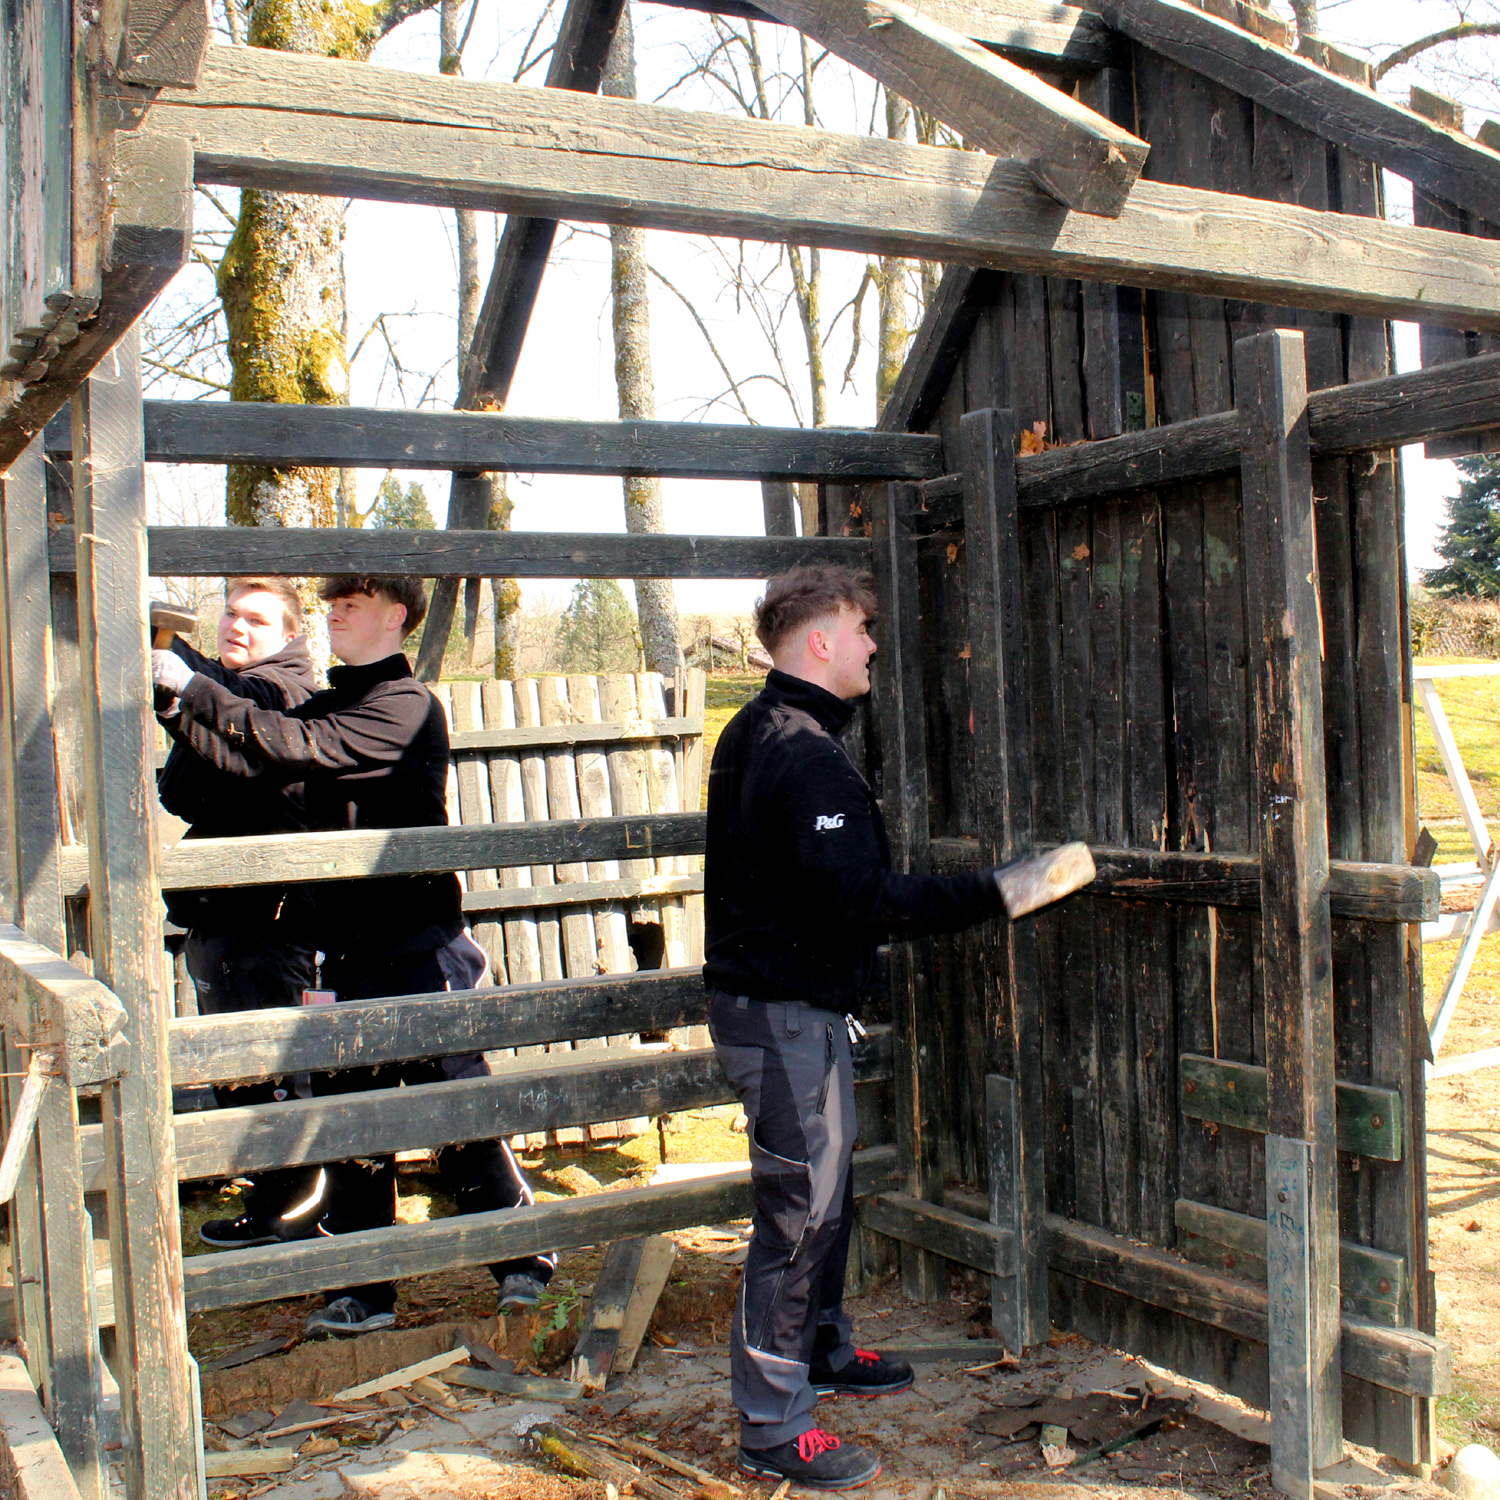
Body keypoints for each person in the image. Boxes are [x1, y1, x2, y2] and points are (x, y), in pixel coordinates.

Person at [704, 564, 1094, 1491]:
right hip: (782, 1019)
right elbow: (860, 899)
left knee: (824, 1199)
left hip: (789, 1011)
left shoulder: (764, 729)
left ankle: (823, 1350)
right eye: (861, 627)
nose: (874, 644)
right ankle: (772, 1423)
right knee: (799, 1218)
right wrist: (1005, 890)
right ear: (820, 641)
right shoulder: (797, 750)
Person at [153, 575, 556, 1337]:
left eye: (353, 603)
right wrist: (178, 700)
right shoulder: (333, 700)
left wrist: (193, 686)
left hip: (418, 949)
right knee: (353, 1126)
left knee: (457, 1112)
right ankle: (367, 1290)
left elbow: (298, 747)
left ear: (396, 617)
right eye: (332, 602)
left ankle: (522, 1258)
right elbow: (252, 758)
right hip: (346, 954)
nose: (335, 612)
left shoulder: (403, 708)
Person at [155, 577, 323, 1248]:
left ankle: (302, 1218)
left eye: (255, 619)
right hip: (224, 918)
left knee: (275, 1073)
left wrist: (176, 666)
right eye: (229, 614)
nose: (236, 626)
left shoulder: (280, 693)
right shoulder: (229, 698)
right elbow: (187, 792)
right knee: (238, 1074)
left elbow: (238, 726)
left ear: (288, 637)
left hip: (268, 920)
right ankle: (271, 1209)